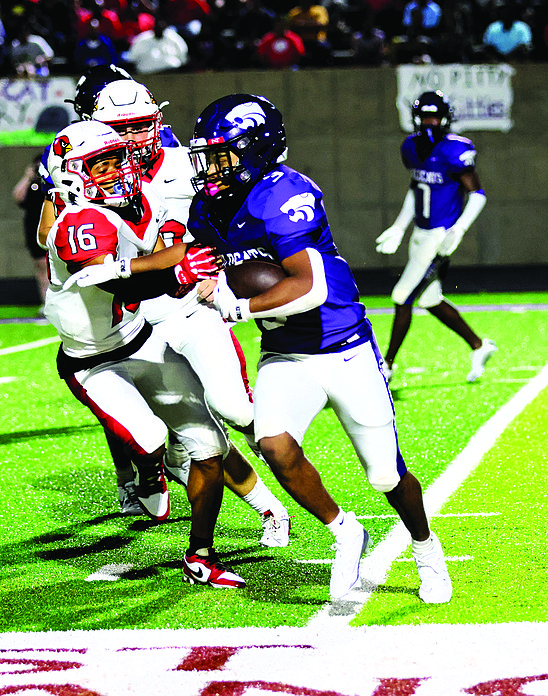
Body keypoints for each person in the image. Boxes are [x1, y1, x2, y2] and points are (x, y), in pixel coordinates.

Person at [187, 93, 452, 604]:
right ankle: (345, 529)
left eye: (223, 154)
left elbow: (310, 288)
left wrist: (237, 306)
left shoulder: (284, 192)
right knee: (273, 444)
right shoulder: (211, 206)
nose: (213, 167)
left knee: (385, 474)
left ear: (257, 148)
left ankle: (425, 547)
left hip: (343, 344)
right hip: (286, 351)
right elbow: (190, 252)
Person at [79, 79, 292, 547]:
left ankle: (295, 482)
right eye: (120, 128)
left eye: (140, 125)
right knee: (195, 435)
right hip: (132, 324)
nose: (132, 137)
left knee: (235, 408)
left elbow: (235, 215)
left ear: (158, 119)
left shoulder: (188, 164)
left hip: (191, 308)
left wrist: (222, 259)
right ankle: (268, 509)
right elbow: (63, 245)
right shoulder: (83, 178)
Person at [41, 119, 245, 588]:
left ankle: (200, 556)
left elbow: (165, 249)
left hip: (140, 339)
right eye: (100, 163)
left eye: (117, 160)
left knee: (209, 444)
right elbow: (109, 277)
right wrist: (176, 273)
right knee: (151, 435)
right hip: (91, 362)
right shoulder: (76, 220)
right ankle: (150, 470)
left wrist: (192, 252)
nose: (115, 171)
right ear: (71, 173)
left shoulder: (132, 202)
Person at [375, 90, 497, 384]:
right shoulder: (411, 147)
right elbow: (417, 188)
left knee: (402, 296)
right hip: (420, 233)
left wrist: (459, 228)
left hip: (440, 236)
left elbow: (478, 195)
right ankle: (479, 346)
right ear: (416, 119)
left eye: (435, 117)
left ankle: (387, 366)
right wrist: (399, 227)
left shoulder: (456, 150)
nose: (430, 123)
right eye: (425, 117)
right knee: (429, 299)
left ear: (445, 118)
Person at [12, 153, 49, 308]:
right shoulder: (32, 185)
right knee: (41, 268)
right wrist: (28, 176)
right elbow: (17, 197)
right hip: (34, 231)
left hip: (52, 231)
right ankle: (47, 304)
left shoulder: (52, 185)